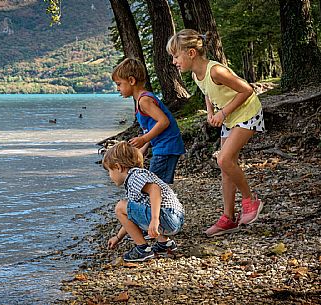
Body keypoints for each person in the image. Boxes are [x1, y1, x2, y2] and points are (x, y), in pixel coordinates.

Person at [167, 29, 265, 237]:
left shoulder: (216, 71)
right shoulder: (196, 74)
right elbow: (207, 93)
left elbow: (247, 90)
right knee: (226, 167)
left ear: (191, 53)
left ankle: (250, 200)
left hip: (247, 113)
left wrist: (223, 112)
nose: (174, 61)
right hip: (230, 117)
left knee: (224, 160)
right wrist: (211, 112)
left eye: (176, 56)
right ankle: (228, 218)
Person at [103, 141, 184, 262]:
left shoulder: (134, 177)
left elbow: (155, 189)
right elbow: (132, 216)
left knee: (120, 207)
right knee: (138, 207)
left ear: (119, 167)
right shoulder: (136, 177)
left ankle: (143, 249)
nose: (109, 175)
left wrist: (155, 219)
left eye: (109, 171)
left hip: (167, 216)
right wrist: (118, 237)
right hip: (175, 218)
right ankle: (164, 244)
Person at [112, 58, 185, 184]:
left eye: (119, 84)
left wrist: (144, 139)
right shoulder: (142, 99)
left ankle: (160, 204)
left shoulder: (144, 100)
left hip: (166, 147)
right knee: (155, 185)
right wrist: (144, 147)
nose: (118, 88)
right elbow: (152, 127)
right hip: (162, 146)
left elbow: (164, 121)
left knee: (154, 185)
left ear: (131, 80)